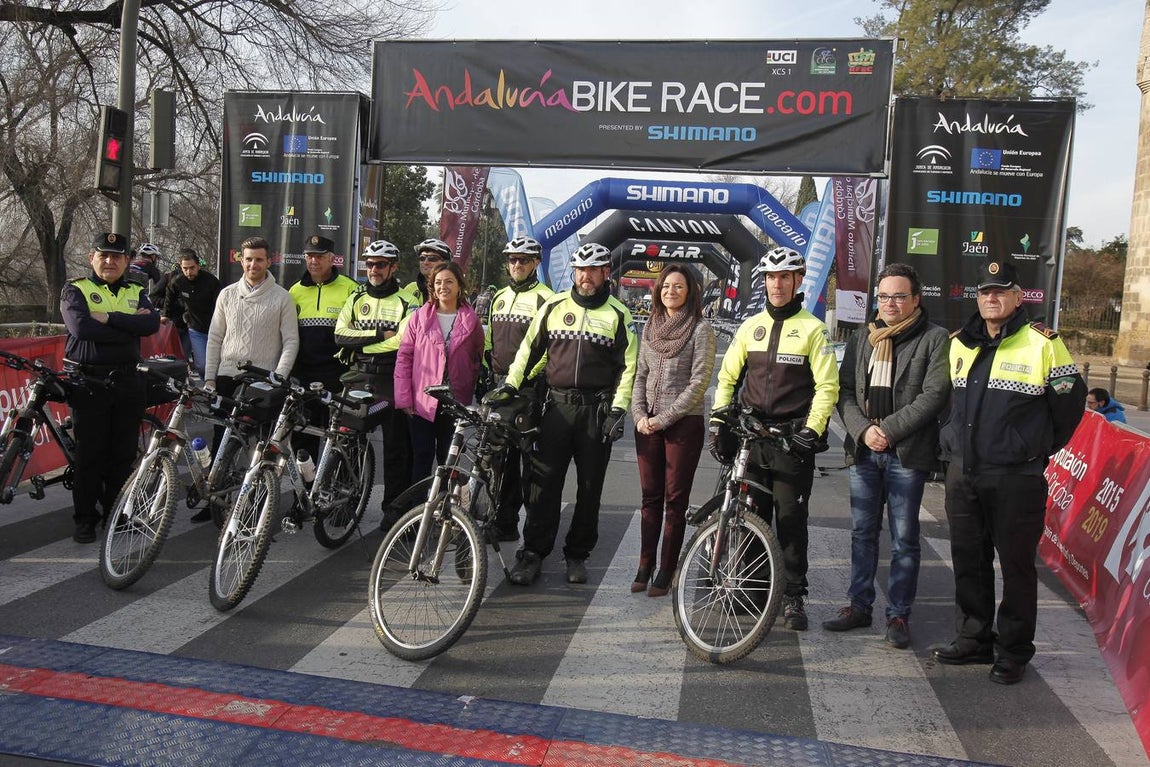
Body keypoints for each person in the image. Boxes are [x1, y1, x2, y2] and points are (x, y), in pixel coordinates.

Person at [934, 257, 1085, 685]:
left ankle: (1014, 650)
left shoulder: (1043, 342)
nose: (992, 298)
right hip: (964, 473)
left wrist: (1033, 449)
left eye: (1000, 291)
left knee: (1016, 566)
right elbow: (948, 404)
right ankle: (974, 638)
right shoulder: (961, 342)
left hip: (1016, 477)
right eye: (985, 292)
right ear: (977, 298)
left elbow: (1069, 406)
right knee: (968, 559)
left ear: (1018, 297)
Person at [488, 242, 638, 586]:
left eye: (593, 270)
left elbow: (629, 367)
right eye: (580, 269)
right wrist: (511, 385)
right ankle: (533, 554)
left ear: (605, 274)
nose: (585, 277)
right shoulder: (554, 306)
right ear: (574, 272)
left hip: (595, 411)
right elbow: (529, 349)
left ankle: (577, 555)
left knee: (589, 489)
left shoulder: (618, 315)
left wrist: (619, 409)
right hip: (554, 407)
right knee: (544, 485)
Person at [822, 263, 950, 648]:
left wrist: (888, 431)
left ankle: (898, 615)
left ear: (915, 299)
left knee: (904, 538)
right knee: (862, 533)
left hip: (905, 453)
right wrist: (863, 430)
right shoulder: (864, 337)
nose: (890, 303)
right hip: (864, 450)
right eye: (884, 296)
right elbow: (844, 391)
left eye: (898, 296)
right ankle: (859, 606)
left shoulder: (935, 338)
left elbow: (934, 395)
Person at [712, 246, 839, 630]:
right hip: (752, 439)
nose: (777, 284)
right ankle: (753, 589)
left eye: (785, 277)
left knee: (790, 520)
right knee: (749, 516)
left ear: (798, 281)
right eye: (771, 277)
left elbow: (827, 387)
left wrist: (812, 431)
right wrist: (720, 423)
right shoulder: (750, 327)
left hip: (790, 442)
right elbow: (728, 378)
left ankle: (793, 596)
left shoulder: (813, 329)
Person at [60, 232, 160, 543]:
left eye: (116, 256)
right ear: (91, 257)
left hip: (128, 381)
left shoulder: (135, 289)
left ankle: (117, 514)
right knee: (91, 455)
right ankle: (86, 519)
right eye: (103, 255)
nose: (109, 261)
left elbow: (151, 325)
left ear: (127, 261)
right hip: (89, 382)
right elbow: (81, 328)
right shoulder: (75, 289)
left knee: (123, 454)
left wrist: (108, 318)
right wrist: (127, 328)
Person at [630, 265, 715, 597]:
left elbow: (699, 382)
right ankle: (644, 564)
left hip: (683, 424)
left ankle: (666, 568)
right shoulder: (649, 327)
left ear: (690, 291)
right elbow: (640, 376)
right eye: (666, 286)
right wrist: (638, 414)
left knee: (675, 501)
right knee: (650, 498)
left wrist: (663, 418)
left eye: (678, 287)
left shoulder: (700, 330)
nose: (671, 291)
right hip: (645, 423)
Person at [203, 235, 299, 487]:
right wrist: (210, 378)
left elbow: (291, 340)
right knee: (221, 440)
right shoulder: (226, 295)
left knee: (259, 445)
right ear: (240, 260)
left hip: (262, 380)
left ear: (269, 261)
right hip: (226, 377)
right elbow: (214, 338)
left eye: (258, 260)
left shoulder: (282, 298)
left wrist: (279, 375)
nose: (252, 265)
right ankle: (216, 496)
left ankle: (257, 498)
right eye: (248, 259)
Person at [334, 239, 416, 526]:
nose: (373, 269)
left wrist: (361, 343)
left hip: (392, 378)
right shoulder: (356, 298)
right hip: (358, 375)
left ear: (393, 267)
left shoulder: (408, 301)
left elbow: (402, 343)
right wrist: (379, 335)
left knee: (396, 448)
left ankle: (393, 509)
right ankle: (344, 502)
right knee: (347, 442)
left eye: (380, 264)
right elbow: (340, 335)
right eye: (369, 264)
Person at [484, 237, 554, 542]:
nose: (517, 265)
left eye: (523, 260)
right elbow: (489, 341)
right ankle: (505, 522)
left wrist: (525, 381)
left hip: (528, 390)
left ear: (536, 263)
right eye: (512, 259)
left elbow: (550, 349)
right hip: (499, 386)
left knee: (530, 465)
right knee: (502, 460)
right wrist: (489, 374)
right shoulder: (498, 296)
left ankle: (534, 535)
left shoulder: (547, 298)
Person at [394, 261, 484, 483]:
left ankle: (444, 511)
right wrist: (404, 397)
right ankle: (419, 513)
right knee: (422, 458)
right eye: (438, 282)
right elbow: (404, 358)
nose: (443, 287)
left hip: (455, 403)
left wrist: (469, 389)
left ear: (459, 286)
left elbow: (477, 358)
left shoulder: (472, 321)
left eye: (449, 282)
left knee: (449, 461)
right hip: (422, 402)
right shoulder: (419, 318)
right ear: (431, 287)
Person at [288, 234, 358, 461]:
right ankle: (305, 494)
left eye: (320, 256)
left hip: (338, 378)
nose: (314, 261)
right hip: (304, 377)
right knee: (302, 441)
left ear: (332, 259)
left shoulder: (351, 289)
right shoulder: (295, 291)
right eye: (309, 256)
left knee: (340, 443)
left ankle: (345, 493)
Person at [164, 248, 220, 381]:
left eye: (192, 268)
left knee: (217, 365)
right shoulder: (177, 281)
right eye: (185, 268)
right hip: (196, 329)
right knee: (201, 365)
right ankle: (207, 388)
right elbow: (169, 298)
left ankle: (216, 388)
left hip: (216, 329)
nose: (189, 272)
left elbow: (221, 303)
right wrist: (165, 315)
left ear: (198, 266)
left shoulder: (211, 281)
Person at [404, 238, 452, 304]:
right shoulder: (411, 288)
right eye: (422, 258)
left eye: (432, 258)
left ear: (445, 262)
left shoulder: (454, 289)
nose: (425, 262)